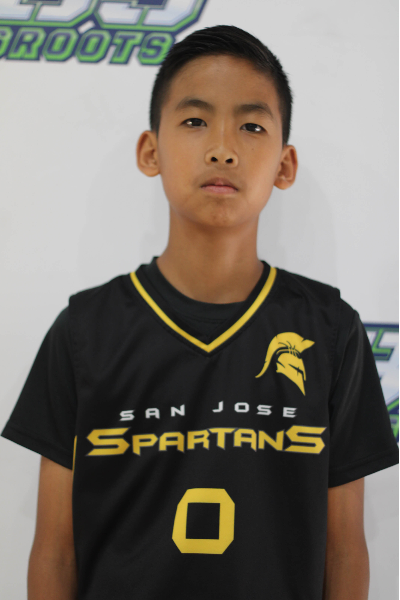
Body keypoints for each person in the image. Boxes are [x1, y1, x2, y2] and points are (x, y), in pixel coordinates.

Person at [1, 25, 398, 600]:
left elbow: (344, 550)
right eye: (194, 121)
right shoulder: (85, 331)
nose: (222, 148)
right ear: (151, 151)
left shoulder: (330, 330)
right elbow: (55, 552)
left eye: (251, 126)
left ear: (284, 165)